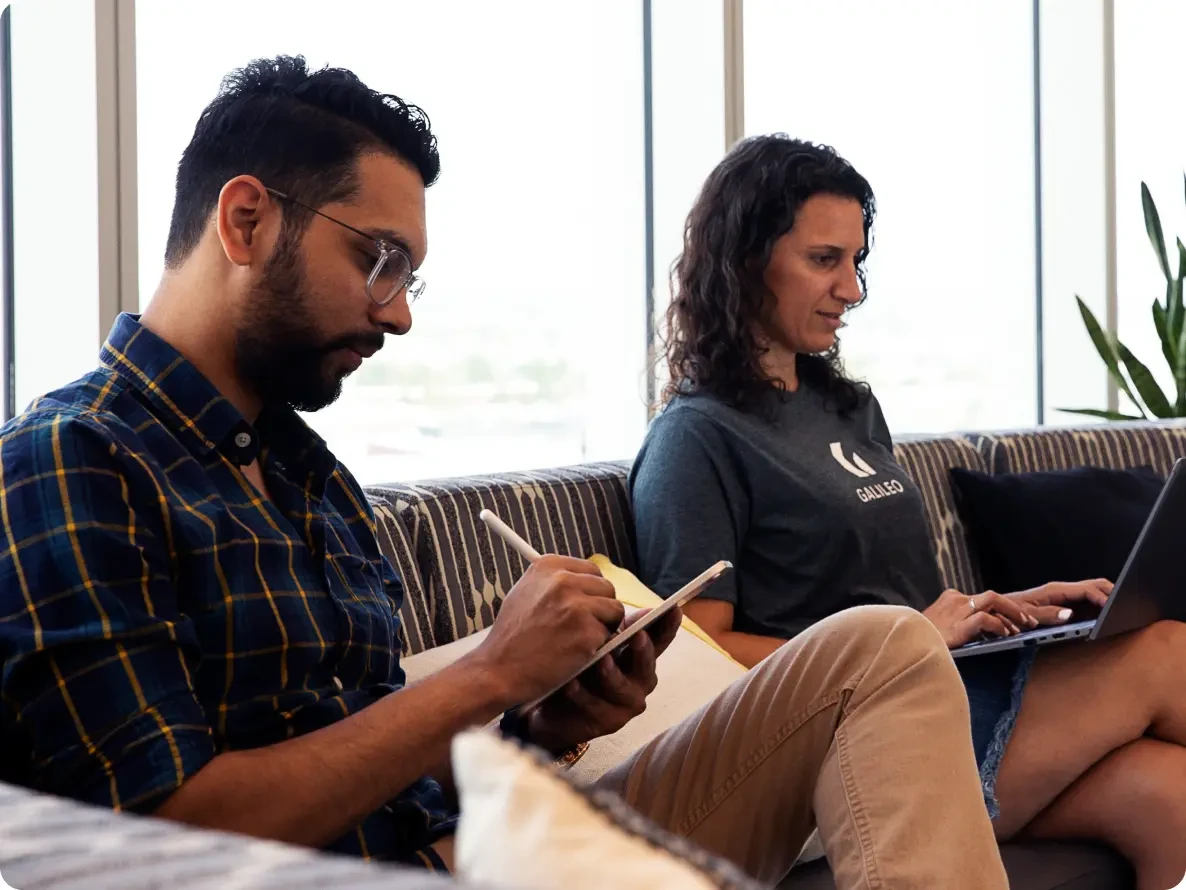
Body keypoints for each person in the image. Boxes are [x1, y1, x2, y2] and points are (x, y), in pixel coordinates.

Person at [0, 58, 1007, 890]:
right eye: (380, 260)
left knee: (879, 650)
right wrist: (485, 672)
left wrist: (538, 714)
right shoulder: (73, 462)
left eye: (409, 275)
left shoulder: (310, 476)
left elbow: (377, 753)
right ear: (248, 221)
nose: (398, 312)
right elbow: (164, 834)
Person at [630, 133, 1186, 890]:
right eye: (825, 260)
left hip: (943, 685)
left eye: (856, 262)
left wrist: (1007, 610)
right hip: (857, 743)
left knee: (1168, 796)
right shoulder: (696, 438)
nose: (852, 288)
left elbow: (892, 601)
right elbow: (695, 655)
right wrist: (914, 635)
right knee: (1163, 654)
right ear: (743, 261)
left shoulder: (847, 408)